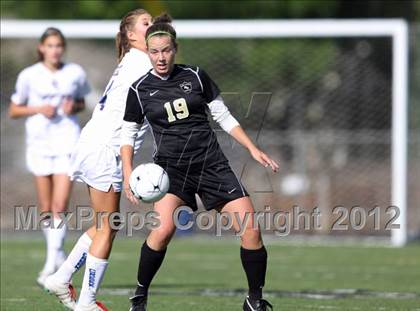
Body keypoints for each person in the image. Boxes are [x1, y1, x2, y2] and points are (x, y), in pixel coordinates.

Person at [121, 14, 278, 311]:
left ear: (174, 49)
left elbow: (223, 116)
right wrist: (128, 174)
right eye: (154, 52)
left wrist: (253, 149)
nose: (161, 57)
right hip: (171, 170)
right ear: (148, 51)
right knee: (164, 230)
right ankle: (139, 297)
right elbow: (127, 136)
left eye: (166, 50)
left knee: (251, 230)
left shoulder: (195, 76)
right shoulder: (139, 89)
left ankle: (254, 300)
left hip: (211, 165)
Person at [44, 9, 153, 311]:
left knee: (107, 222)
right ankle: (87, 303)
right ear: (131, 35)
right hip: (106, 147)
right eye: (147, 24)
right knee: (108, 225)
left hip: (94, 141)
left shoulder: (131, 60)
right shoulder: (144, 62)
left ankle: (61, 276)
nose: (154, 27)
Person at [9, 27, 90, 288]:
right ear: (41, 48)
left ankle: (49, 263)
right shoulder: (29, 76)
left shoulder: (75, 72)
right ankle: (57, 257)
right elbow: (14, 108)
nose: (54, 50)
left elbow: (82, 101)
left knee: (59, 206)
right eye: (50, 45)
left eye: (58, 46)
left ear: (62, 48)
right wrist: (37, 108)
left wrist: (73, 106)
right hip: (39, 144)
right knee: (46, 207)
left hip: (67, 142)